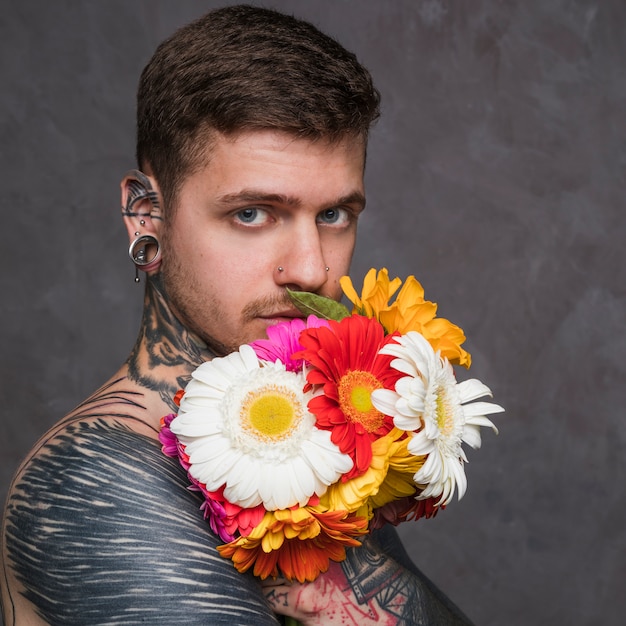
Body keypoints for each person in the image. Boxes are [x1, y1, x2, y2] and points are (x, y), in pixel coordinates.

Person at [1, 5, 473, 625]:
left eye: (334, 215)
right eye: (252, 213)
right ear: (146, 216)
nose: (309, 268)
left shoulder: (318, 434)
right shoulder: (92, 483)